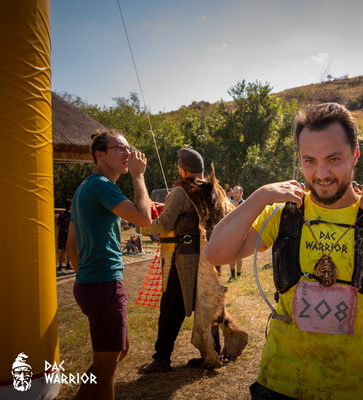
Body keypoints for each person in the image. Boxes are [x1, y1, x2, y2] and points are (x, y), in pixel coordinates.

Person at [203, 102, 363, 399]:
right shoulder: (285, 212)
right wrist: (260, 196)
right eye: (309, 161)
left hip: (350, 383)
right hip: (280, 379)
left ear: (355, 154)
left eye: (334, 159)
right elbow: (216, 254)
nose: (321, 173)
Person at [138, 148, 248, 373]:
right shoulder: (216, 191)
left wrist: (143, 226)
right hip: (211, 256)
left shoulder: (181, 192)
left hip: (185, 261)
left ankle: (162, 358)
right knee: (209, 305)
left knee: (172, 307)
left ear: (182, 170)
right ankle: (212, 353)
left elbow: (165, 223)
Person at [67, 129, 152, 400]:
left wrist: (85, 279)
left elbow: (71, 246)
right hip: (103, 284)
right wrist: (139, 177)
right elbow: (144, 219)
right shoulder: (103, 185)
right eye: (120, 148)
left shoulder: (85, 187)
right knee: (106, 369)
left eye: (128, 148)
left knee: (120, 351)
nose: (128, 153)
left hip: (92, 284)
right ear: (100, 156)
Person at [228, 185, 245, 282]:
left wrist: (237, 208)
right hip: (230, 232)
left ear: (241, 193)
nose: (235, 194)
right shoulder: (229, 204)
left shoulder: (245, 204)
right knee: (230, 254)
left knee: (239, 254)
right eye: (234, 192)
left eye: (237, 192)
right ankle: (232, 275)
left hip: (241, 232)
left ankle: (239, 275)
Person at [56, 198, 72, 271]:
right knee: (63, 250)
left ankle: (68, 263)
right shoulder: (63, 214)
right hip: (63, 234)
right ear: (69, 205)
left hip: (71, 234)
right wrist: (63, 231)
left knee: (70, 249)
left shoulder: (73, 214)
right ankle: (60, 265)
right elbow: (58, 225)